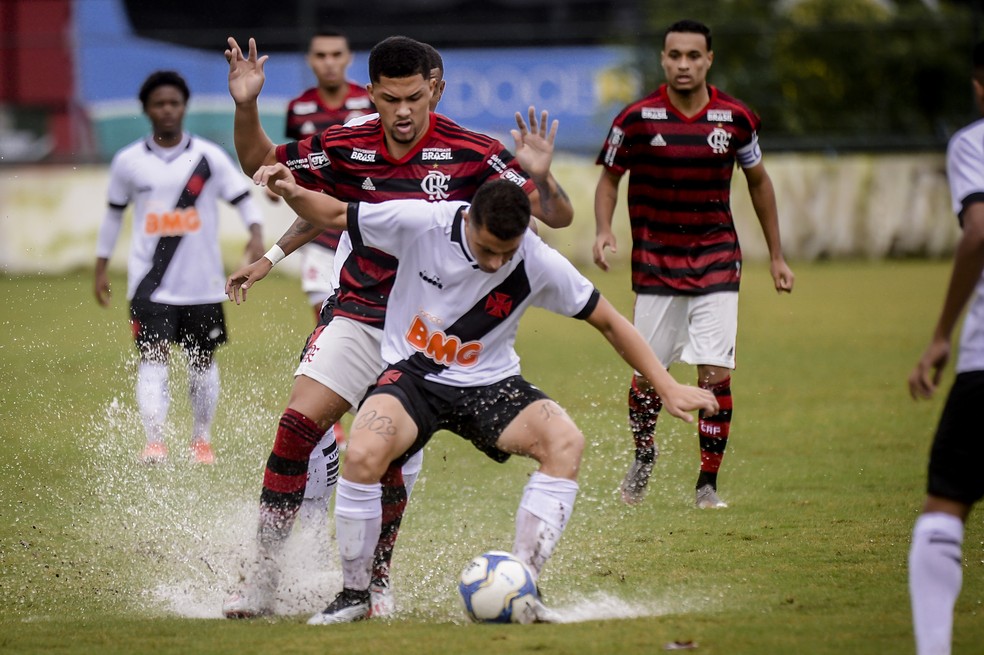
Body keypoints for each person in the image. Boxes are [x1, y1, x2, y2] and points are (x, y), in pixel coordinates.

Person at [244, 169, 719, 624]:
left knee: (566, 443)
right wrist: (290, 190)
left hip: (489, 384)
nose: (495, 262)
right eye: (487, 249)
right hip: (414, 375)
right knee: (363, 453)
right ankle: (354, 594)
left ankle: (524, 584)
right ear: (467, 219)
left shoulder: (535, 258)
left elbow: (610, 320)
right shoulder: (423, 223)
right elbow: (332, 214)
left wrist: (667, 384)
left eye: (505, 253)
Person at [221, 35, 573, 619]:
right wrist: (245, 105)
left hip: (427, 333)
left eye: (414, 97)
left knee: (381, 456)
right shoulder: (345, 143)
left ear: (432, 89)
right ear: (372, 94)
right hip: (360, 313)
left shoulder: (473, 151)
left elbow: (554, 215)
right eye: (390, 99)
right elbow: (264, 165)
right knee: (294, 429)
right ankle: (262, 578)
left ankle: (374, 582)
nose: (403, 112)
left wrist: (542, 177)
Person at [593, 19, 794, 509]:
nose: (684, 64)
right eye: (675, 55)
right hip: (656, 266)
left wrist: (777, 256)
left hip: (717, 260)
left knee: (715, 376)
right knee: (646, 376)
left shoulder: (736, 118)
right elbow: (609, 179)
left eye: (693, 56)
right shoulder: (636, 119)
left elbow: (759, 181)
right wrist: (603, 229)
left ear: (709, 60)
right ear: (663, 59)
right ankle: (644, 455)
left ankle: (707, 484)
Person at [93, 70, 264, 465]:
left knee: (202, 361)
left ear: (184, 107)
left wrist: (255, 234)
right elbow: (113, 217)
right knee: (153, 356)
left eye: (174, 102)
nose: (167, 110)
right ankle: (154, 444)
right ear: (146, 110)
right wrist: (100, 268)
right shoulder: (128, 162)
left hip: (203, 283)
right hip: (148, 284)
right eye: (159, 103)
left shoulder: (208, 156)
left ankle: (201, 442)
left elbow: (243, 199)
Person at [906, 40, 984, 655]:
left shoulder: (972, 142)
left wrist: (941, 335)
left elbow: (977, 231)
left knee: (944, 508)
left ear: (979, 83)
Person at [283, 29, 375, 324]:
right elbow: (296, 163)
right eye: (321, 56)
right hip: (318, 231)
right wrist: (281, 183)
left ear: (348, 58)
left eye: (336, 55)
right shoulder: (298, 109)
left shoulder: (370, 102)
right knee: (325, 315)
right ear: (311, 60)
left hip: (364, 227)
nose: (329, 63)